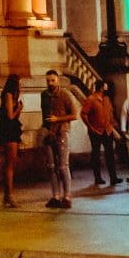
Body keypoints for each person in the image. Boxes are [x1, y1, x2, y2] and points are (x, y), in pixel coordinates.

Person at [40, 72, 78, 209]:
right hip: (49, 134)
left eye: (52, 80)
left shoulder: (65, 95)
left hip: (62, 132)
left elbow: (74, 115)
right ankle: (55, 196)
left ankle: (67, 196)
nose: (50, 83)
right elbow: (44, 114)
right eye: (48, 81)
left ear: (58, 81)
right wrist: (45, 130)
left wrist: (59, 119)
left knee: (62, 166)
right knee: (51, 167)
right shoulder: (44, 95)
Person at [80, 80, 121, 188]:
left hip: (107, 130)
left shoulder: (107, 99)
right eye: (105, 87)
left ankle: (113, 178)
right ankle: (97, 178)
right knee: (96, 155)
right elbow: (83, 114)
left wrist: (113, 128)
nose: (107, 88)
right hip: (96, 132)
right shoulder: (91, 99)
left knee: (110, 154)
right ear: (101, 88)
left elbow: (110, 114)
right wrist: (90, 127)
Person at [0, 76, 24, 206]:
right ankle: (9, 196)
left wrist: (18, 110)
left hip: (12, 129)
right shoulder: (9, 95)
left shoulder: (12, 96)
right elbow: (10, 116)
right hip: (9, 130)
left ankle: (7, 196)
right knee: (10, 165)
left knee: (11, 164)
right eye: (19, 84)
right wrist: (19, 109)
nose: (21, 87)